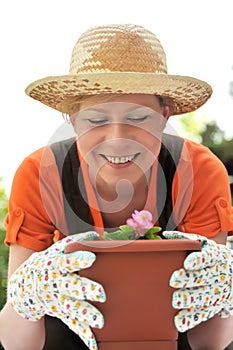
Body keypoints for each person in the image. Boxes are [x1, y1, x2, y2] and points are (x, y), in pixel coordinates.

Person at [0, 23, 233, 350]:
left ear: (164, 116)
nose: (117, 140)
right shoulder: (40, 173)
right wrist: (26, 294)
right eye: (96, 121)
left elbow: (210, 343)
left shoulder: (199, 172)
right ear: (73, 118)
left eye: (139, 119)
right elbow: (18, 344)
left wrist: (224, 294)